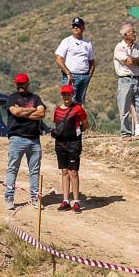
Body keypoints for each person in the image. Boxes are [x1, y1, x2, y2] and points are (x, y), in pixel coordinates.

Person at [5, 73, 46, 210]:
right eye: (18, 83)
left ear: (27, 84)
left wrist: (23, 111)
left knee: (34, 171)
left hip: (34, 139)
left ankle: (35, 198)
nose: (20, 86)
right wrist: (32, 110)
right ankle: (9, 198)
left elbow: (41, 113)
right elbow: (15, 112)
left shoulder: (36, 98)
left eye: (22, 83)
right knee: (12, 168)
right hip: (17, 138)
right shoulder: (12, 98)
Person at [52, 84, 89, 212]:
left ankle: (77, 201)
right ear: (62, 95)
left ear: (72, 95)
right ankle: (65, 200)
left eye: (68, 94)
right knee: (64, 171)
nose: (66, 97)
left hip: (73, 144)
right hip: (60, 144)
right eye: (64, 94)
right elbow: (57, 125)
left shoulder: (78, 109)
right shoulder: (57, 110)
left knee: (73, 172)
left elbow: (85, 124)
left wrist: (76, 135)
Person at [112, 24, 139, 137]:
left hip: (137, 79)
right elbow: (129, 61)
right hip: (125, 80)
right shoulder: (119, 47)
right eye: (132, 32)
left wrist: (135, 60)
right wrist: (138, 61)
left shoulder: (137, 46)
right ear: (125, 35)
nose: (135, 34)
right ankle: (125, 133)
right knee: (124, 108)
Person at [55, 17, 96, 104]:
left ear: (83, 28)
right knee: (70, 101)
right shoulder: (67, 41)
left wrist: (90, 74)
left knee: (79, 102)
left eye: (78, 26)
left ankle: (79, 118)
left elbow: (91, 61)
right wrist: (68, 73)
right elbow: (59, 59)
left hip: (84, 76)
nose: (76, 28)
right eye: (74, 26)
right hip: (72, 76)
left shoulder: (87, 43)